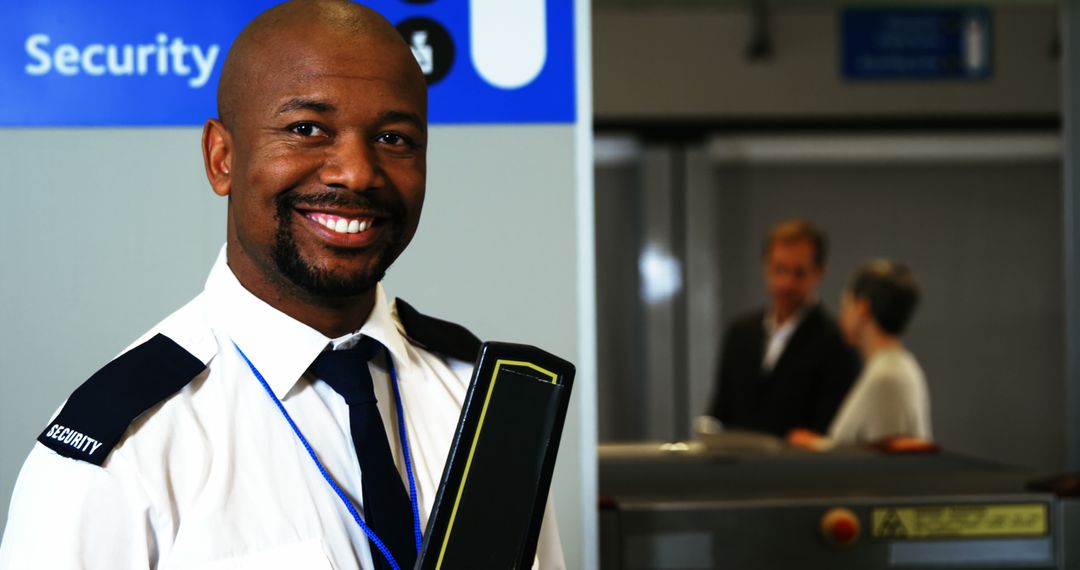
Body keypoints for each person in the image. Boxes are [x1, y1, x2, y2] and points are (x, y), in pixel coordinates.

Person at [0, 2, 564, 569]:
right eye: (307, 129)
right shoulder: (128, 447)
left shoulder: (485, 398)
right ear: (221, 157)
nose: (356, 172)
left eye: (393, 138)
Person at [706, 218, 860, 437]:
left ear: (819, 273)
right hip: (740, 467)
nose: (786, 283)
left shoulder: (837, 342)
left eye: (798, 273)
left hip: (798, 469)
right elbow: (719, 414)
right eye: (779, 270)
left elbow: (833, 431)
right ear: (765, 266)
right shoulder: (740, 333)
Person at [789, 260, 931, 449]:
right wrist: (818, 444)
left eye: (845, 304)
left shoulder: (887, 377)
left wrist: (816, 447)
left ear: (862, 308)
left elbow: (885, 467)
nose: (841, 315)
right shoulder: (896, 367)